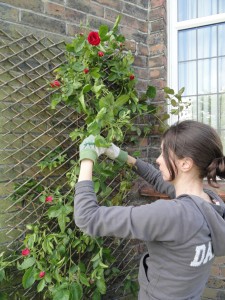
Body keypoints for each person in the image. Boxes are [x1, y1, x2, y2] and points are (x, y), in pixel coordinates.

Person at [74, 120, 225, 300]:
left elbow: (87, 217)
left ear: (185, 164)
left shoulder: (172, 215)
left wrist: (87, 158)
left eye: (163, 153)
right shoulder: (210, 203)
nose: (158, 160)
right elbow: (157, 178)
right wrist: (120, 155)